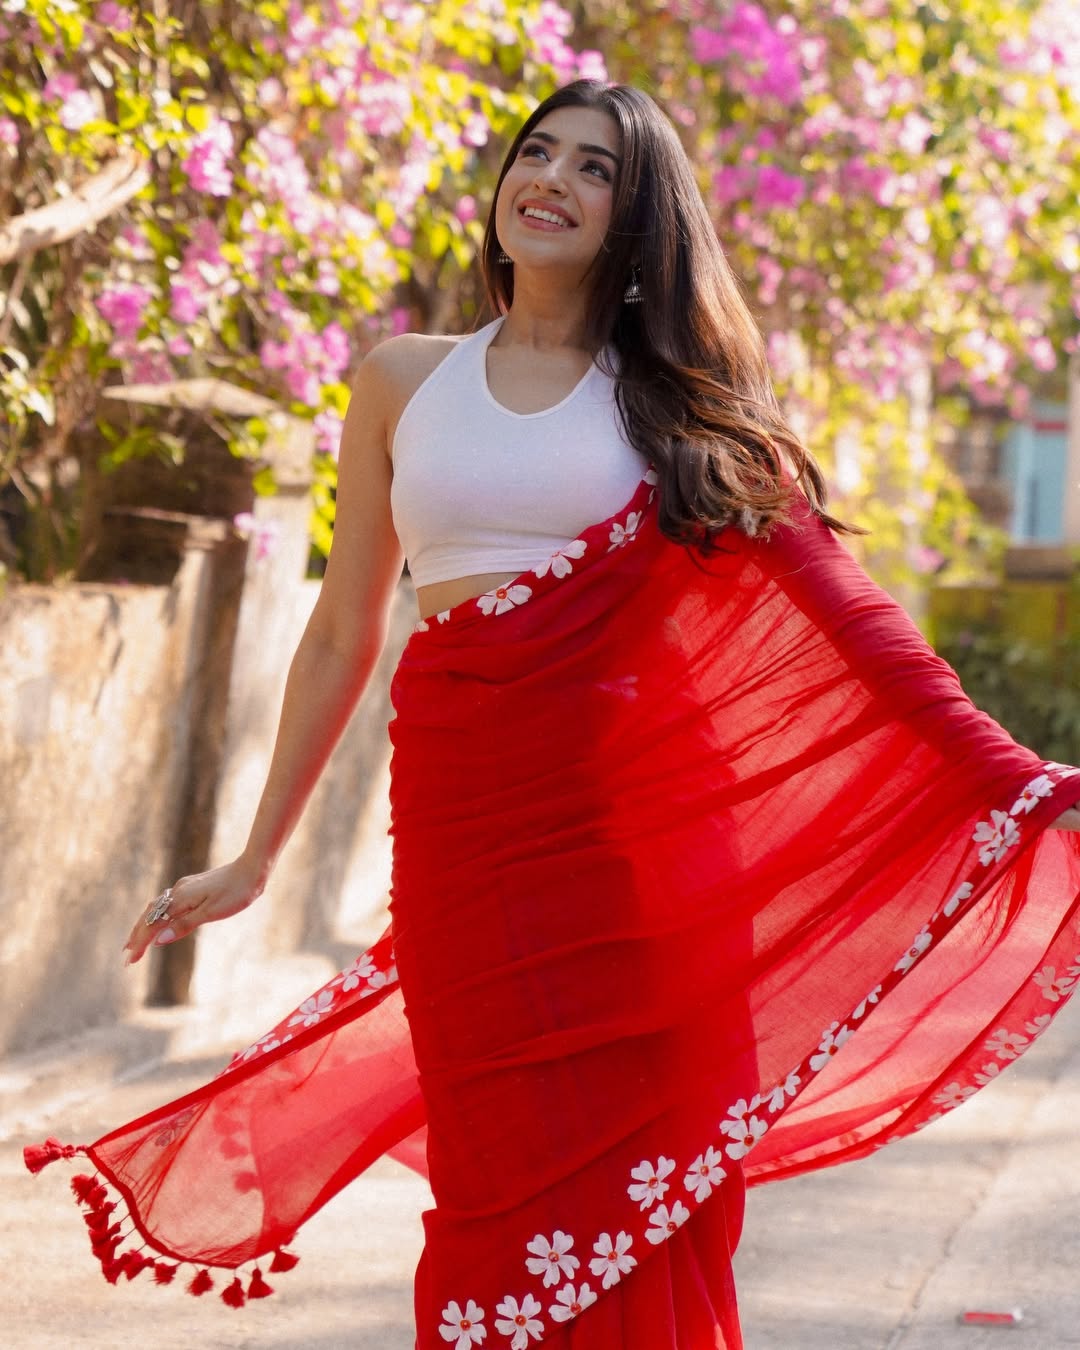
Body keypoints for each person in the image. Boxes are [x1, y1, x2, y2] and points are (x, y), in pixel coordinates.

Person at [26, 80, 1080, 1350]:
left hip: (640, 864)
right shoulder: (404, 381)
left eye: (594, 169)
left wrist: (1026, 783)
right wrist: (257, 857)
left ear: (637, 218)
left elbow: (856, 623)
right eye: (539, 153)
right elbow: (340, 635)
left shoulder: (678, 412)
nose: (554, 182)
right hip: (469, 848)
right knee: (495, 1191)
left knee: (643, 1191)